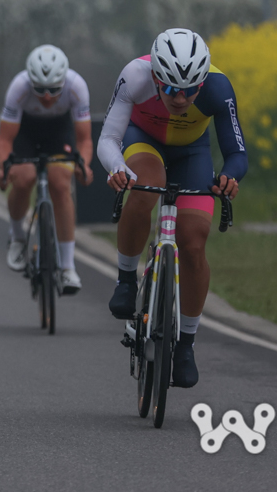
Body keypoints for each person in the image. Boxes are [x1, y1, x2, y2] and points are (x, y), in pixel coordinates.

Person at [98, 28, 246, 389]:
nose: (180, 99)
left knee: (194, 243)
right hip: (142, 142)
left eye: (190, 90)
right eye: (170, 89)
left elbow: (237, 154)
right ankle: (126, 278)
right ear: (155, 77)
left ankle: (186, 345)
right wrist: (118, 169)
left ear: (202, 82)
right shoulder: (134, 75)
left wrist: (228, 177)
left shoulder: (218, 87)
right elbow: (108, 139)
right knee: (146, 187)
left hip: (192, 154)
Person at [0, 45, 93, 293]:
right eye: (39, 89)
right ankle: (17, 237)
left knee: (61, 183)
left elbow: (84, 139)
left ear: (63, 81)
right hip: (25, 132)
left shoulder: (76, 86)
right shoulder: (18, 87)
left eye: (54, 90)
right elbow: (5, 140)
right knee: (23, 177)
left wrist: (84, 165)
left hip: (59, 131)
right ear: (30, 81)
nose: (47, 97)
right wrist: (5, 169)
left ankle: (68, 267)